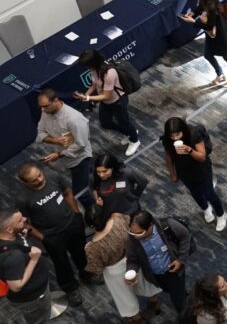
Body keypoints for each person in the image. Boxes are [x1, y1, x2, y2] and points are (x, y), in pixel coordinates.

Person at [14, 163, 92, 308]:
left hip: (72, 224)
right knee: (61, 263)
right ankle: (70, 288)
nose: (40, 179)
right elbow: (24, 223)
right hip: (52, 235)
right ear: (26, 183)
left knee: (81, 251)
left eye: (39, 174)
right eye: (34, 180)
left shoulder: (53, 176)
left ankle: (87, 273)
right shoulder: (22, 198)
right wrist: (43, 238)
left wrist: (76, 213)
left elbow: (68, 193)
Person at [160, 117, 227, 231]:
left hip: (201, 170)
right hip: (184, 171)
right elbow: (168, 156)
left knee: (209, 194)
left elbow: (202, 157)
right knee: (195, 192)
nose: (175, 138)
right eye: (172, 136)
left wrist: (189, 150)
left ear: (183, 130)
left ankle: (221, 215)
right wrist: (172, 172)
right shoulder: (167, 139)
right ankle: (206, 208)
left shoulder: (193, 134)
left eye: (177, 134)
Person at [34, 89, 93, 218]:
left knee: (80, 191)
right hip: (63, 156)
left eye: (45, 106)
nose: (42, 110)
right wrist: (53, 140)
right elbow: (40, 133)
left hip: (79, 158)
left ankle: (91, 209)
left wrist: (59, 155)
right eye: (41, 107)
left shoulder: (74, 119)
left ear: (56, 100)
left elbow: (81, 144)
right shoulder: (46, 112)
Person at [74, 49, 141, 156]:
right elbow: (94, 85)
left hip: (118, 101)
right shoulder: (94, 69)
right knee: (105, 123)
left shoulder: (109, 73)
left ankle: (135, 140)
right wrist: (86, 95)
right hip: (106, 102)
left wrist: (87, 98)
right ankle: (128, 132)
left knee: (125, 122)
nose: (87, 68)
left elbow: (106, 95)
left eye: (88, 66)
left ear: (93, 62)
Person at [0, 207, 53, 322]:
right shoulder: (13, 257)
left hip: (37, 289)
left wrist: (22, 237)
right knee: (39, 320)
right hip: (33, 299)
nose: (24, 219)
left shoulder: (9, 235)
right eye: (19, 220)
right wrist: (34, 260)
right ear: (9, 230)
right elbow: (16, 286)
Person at [181, 0, 227, 84]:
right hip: (211, 35)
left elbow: (209, 25)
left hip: (220, 35)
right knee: (207, 54)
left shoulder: (212, 6)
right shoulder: (204, 0)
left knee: (226, 55)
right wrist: (192, 13)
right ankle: (220, 74)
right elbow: (200, 8)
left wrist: (192, 21)